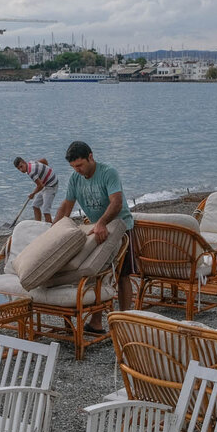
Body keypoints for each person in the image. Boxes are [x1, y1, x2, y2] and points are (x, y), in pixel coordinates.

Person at [53, 140, 134, 332]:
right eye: (73, 167)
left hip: (122, 227)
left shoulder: (108, 173)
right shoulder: (75, 178)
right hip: (97, 229)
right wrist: (53, 229)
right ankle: (97, 322)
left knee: (122, 275)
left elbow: (116, 202)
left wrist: (102, 222)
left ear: (91, 157)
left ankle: (125, 320)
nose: (77, 170)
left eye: (80, 165)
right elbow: (66, 205)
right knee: (96, 274)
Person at [13, 156, 59, 223]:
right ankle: (37, 225)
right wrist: (46, 170)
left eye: (21, 166)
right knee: (35, 205)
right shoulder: (31, 163)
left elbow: (40, 186)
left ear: (24, 162)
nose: (21, 170)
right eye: (18, 169)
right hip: (45, 184)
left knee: (45, 210)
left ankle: (50, 229)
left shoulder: (31, 172)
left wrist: (33, 194)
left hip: (52, 185)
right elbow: (44, 160)